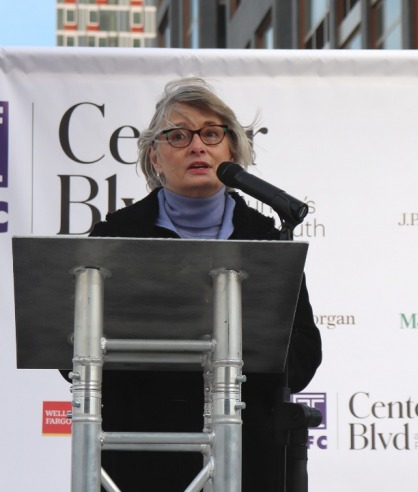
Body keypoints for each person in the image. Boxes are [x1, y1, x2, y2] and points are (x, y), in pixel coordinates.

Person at [88, 77, 322, 491]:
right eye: (178, 135)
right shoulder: (114, 239)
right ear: (155, 157)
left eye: (211, 134)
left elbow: (303, 358)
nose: (197, 146)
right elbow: (75, 354)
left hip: (250, 458)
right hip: (142, 458)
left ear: (232, 150)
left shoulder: (267, 240)